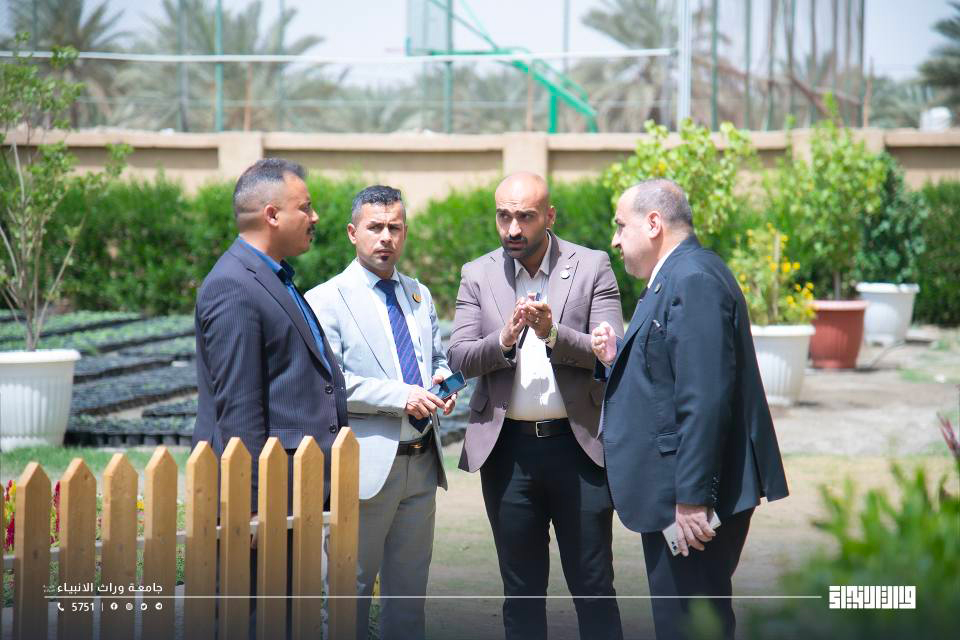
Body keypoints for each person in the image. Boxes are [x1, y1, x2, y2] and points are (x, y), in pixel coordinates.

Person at [591, 179, 789, 640]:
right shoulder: (675, 275)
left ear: (653, 223)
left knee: (690, 624)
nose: (615, 240)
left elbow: (704, 398)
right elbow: (670, 375)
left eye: (621, 226)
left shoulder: (693, 278)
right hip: (675, 491)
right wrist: (616, 358)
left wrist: (693, 499)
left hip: (689, 498)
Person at [447, 172, 624, 640]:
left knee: (593, 585)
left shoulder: (592, 266)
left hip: (577, 448)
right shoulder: (477, 273)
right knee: (521, 591)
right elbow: (459, 357)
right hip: (508, 453)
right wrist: (504, 338)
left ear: (550, 216)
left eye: (525, 216)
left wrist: (552, 334)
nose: (512, 229)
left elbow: (611, 352)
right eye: (503, 216)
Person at [192, 158, 348, 637]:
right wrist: (252, 505)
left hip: (295, 489)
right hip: (266, 497)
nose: (315, 217)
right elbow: (238, 405)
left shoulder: (272, 276)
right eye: (306, 207)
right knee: (258, 619)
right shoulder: (233, 285)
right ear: (272, 215)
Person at [305, 185, 455, 640]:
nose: (386, 237)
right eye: (375, 227)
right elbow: (328, 383)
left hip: (422, 464)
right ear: (353, 233)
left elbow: (436, 360)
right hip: (364, 470)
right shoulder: (326, 299)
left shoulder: (419, 294)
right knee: (345, 598)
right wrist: (400, 396)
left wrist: (442, 384)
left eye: (395, 227)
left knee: (408, 600)